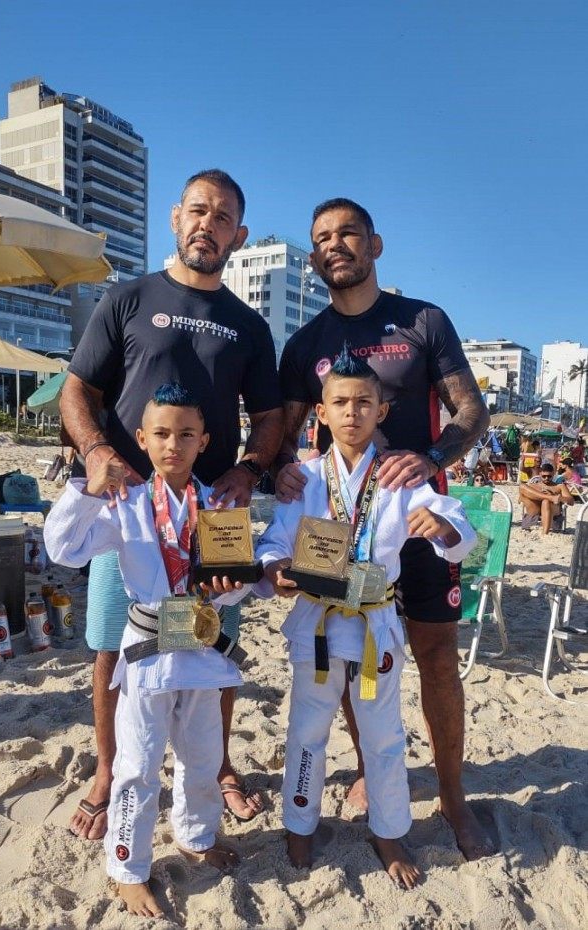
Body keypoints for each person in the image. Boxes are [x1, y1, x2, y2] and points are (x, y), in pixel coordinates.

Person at [59, 169, 283, 838]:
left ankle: (212, 767)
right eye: (197, 211)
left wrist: (248, 468)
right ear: (174, 219)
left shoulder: (247, 326)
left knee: (217, 649)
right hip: (129, 507)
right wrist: (99, 454)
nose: (206, 225)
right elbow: (77, 392)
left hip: (214, 514)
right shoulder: (128, 299)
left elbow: (269, 416)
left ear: (237, 236)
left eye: (221, 218)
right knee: (111, 645)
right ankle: (107, 770)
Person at [275, 197, 492, 860]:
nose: (335, 245)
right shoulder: (305, 342)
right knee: (345, 652)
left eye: (348, 234)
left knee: (434, 658)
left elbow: (471, 412)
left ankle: (452, 798)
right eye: (322, 238)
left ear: (374, 245)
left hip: (413, 522)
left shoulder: (422, 321)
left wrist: (427, 460)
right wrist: (283, 467)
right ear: (312, 258)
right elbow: (283, 434)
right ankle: (374, 770)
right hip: (340, 530)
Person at [254, 353, 475, 885]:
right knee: (307, 728)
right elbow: (273, 541)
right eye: (339, 403)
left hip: (377, 627)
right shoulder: (302, 478)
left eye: (363, 403)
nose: (351, 412)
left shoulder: (400, 476)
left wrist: (441, 527)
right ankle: (300, 822)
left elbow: (458, 526)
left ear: (382, 411)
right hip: (318, 624)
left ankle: (389, 830)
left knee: (382, 735)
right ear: (322, 414)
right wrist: (276, 567)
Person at [45, 384, 245, 917]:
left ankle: (196, 835)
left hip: (202, 650)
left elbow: (245, 577)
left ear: (204, 441)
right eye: (161, 434)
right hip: (148, 653)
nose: (172, 444)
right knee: (137, 762)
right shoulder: (125, 505)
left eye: (185, 434)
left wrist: (244, 582)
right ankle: (128, 866)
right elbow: (63, 549)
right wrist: (87, 490)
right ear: (141, 439)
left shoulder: (220, 507)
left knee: (203, 755)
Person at [520, 463, 576, 533]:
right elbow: (521, 497)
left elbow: (571, 501)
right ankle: (549, 498)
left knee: (546, 502)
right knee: (522, 487)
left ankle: (545, 533)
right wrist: (551, 497)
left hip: (553, 512)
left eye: (549, 476)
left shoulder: (559, 486)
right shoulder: (533, 486)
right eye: (544, 476)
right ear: (540, 474)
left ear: (553, 474)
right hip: (534, 511)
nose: (546, 478)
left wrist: (559, 498)